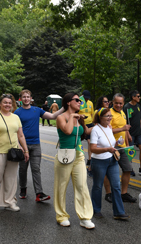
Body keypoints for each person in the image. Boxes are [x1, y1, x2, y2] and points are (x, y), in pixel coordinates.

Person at [0, 94, 29, 212]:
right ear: (0, 104)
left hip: (13, 151)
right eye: (5, 102)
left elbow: (21, 135)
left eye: (9, 103)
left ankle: (9, 202)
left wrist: (25, 149)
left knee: (11, 178)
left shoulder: (16, 117)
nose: (8, 105)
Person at [54, 93, 95, 229]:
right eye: (77, 100)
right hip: (65, 156)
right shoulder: (61, 117)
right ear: (68, 102)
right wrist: (72, 116)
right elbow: (67, 130)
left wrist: (99, 123)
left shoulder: (79, 118)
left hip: (79, 155)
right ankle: (62, 216)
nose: (80, 102)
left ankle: (85, 217)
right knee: (62, 186)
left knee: (82, 186)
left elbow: (85, 132)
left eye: (80, 101)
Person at [15, 90, 57, 201]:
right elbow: (13, 130)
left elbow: (53, 116)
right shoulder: (17, 112)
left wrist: (66, 108)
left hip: (35, 144)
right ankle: (23, 189)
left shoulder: (37, 110)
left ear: (31, 98)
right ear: (21, 98)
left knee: (36, 169)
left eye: (28, 97)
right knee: (23, 169)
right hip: (23, 145)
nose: (26, 99)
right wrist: (19, 145)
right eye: (24, 97)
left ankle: (39, 193)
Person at [90, 108, 130, 220]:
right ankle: (96, 210)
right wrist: (107, 149)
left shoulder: (109, 127)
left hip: (112, 160)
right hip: (99, 161)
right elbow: (92, 148)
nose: (109, 118)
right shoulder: (95, 130)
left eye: (110, 116)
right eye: (107, 116)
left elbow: (109, 142)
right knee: (97, 186)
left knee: (116, 186)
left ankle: (119, 212)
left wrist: (117, 143)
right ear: (100, 118)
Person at [110, 93, 137, 202]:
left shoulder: (122, 113)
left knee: (127, 169)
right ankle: (109, 193)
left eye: (121, 103)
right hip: (111, 148)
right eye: (116, 103)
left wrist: (128, 137)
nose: (118, 105)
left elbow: (125, 129)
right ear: (112, 102)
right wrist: (122, 128)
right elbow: (106, 130)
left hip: (123, 147)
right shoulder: (109, 113)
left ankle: (123, 193)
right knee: (110, 172)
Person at [124, 90, 141, 177]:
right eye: (138, 96)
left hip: (139, 132)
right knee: (130, 151)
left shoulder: (138, 106)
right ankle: (130, 168)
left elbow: (139, 118)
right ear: (133, 97)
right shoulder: (127, 107)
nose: (139, 98)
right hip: (130, 133)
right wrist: (127, 133)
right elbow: (124, 121)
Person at [79, 90, 95, 173]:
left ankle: (89, 159)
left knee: (90, 142)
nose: (87, 100)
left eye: (88, 98)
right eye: (85, 98)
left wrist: (92, 122)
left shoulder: (90, 103)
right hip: (81, 123)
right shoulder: (78, 102)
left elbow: (92, 113)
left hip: (89, 123)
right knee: (81, 141)